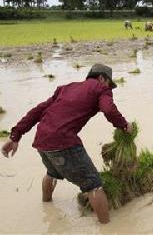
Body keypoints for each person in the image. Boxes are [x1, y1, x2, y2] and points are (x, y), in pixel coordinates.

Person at [1, 64, 133, 224]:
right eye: (108, 83)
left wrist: (16, 135)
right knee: (94, 185)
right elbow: (108, 109)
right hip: (63, 142)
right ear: (101, 78)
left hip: (42, 140)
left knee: (52, 172)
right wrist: (124, 125)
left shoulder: (65, 88)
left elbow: (38, 110)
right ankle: (107, 228)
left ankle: (47, 209)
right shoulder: (101, 88)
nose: (108, 87)